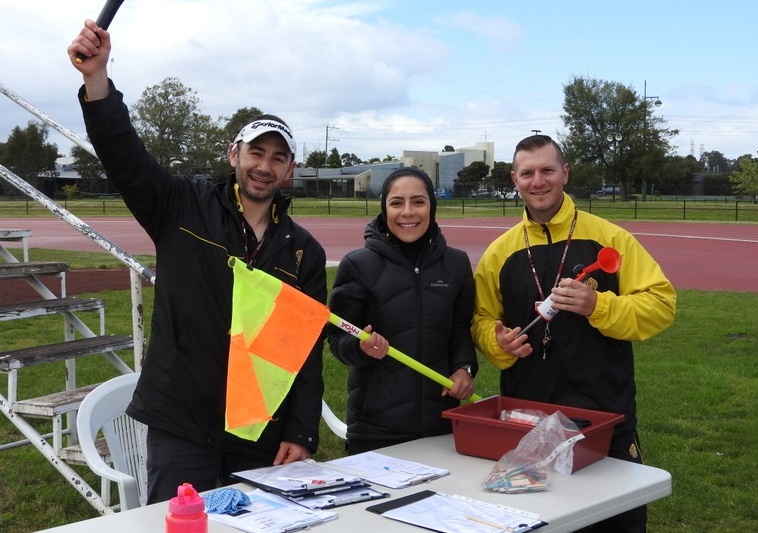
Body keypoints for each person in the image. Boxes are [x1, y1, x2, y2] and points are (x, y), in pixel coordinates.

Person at [68, 20, 327, 503]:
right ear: (234, 154)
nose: (264, 166)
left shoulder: (303, 252)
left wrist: (302, 431)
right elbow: (124, 156)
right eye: (256, 152)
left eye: (277, 158)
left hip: (258, 430)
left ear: (289, 170)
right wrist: (97, 81)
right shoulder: (181, 206)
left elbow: (304, 353)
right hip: (180, 422)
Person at [471, 135, 676, 533]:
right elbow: (481, 318)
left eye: (547, 170)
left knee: (617, 524)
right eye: (528, 173)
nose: (538, 181)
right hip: (529, 420)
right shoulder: (499, 253)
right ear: (515, 180)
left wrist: (598, 306)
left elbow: (661, 304)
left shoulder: (611, 239)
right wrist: (497, 343)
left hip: (604, 416)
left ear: (565, 173)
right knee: (538, 523)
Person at [327, 167, 478, 455]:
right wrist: (360, 348)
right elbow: (337, 338)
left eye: (418, 202)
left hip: (441, 426)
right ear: (384, 208)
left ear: (432, 206)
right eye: (397, 203)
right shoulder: (358, 265)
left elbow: (459, 329)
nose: (408, 212)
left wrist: (464, 368)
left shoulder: (456, 264)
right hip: (375, 430)